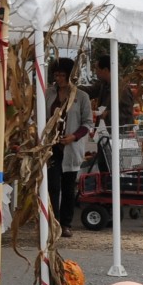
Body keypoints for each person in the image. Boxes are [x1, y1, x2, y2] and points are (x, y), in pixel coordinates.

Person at [46, 59, 94, 237]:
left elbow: (88, 123)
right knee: (53, 185)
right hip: (51, 147)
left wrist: (73, 136)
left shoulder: (81, 96)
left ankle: (66, 224)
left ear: (70, 75)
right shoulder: (49, 94)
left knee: (68, 188)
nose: (58, 78)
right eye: (56, 75)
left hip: (70, 148)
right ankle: (53, 222)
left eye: (61, 75)